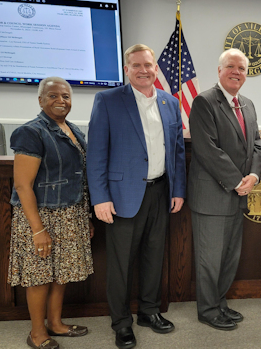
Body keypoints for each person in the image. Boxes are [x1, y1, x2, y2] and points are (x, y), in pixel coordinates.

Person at [87, 44, 186, 349]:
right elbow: (96, 153)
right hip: (121, 196)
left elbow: (178, 152)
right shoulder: (108, 100)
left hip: (160, 191)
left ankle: (149, 311)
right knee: (120, 263)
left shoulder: (170, 102)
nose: (144, 70)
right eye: (137, 65)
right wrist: (99, 198)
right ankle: (121, 323)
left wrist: (178, 189)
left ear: (156, 68)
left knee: (154, 257)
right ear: (127, 69)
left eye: (149, 65)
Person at [8, 77, 94, 349]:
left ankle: (55, 323)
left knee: (61, 273)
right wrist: (37, 229)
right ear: (40, 100)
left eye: (66, 96)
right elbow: (22, 185)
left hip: (70, 214)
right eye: (53, 96)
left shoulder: (72, 129)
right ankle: (37, 333)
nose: (61, 101)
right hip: (41, 217)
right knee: (39, 276)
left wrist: (86, 217)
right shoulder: (31, 132)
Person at [188, 48, 261, 331]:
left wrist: (254, 176)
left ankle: (219, 303)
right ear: (220, 71)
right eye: (231, 67)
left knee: (229, 257)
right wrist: (237, 181)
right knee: (210, 259)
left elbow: (257, 144)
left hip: (238, 195)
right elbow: (208, 150)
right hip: (213, 196)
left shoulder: (248, 104)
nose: (236, 72)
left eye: (241, 68)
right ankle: (207, 310)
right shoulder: (204, 102)